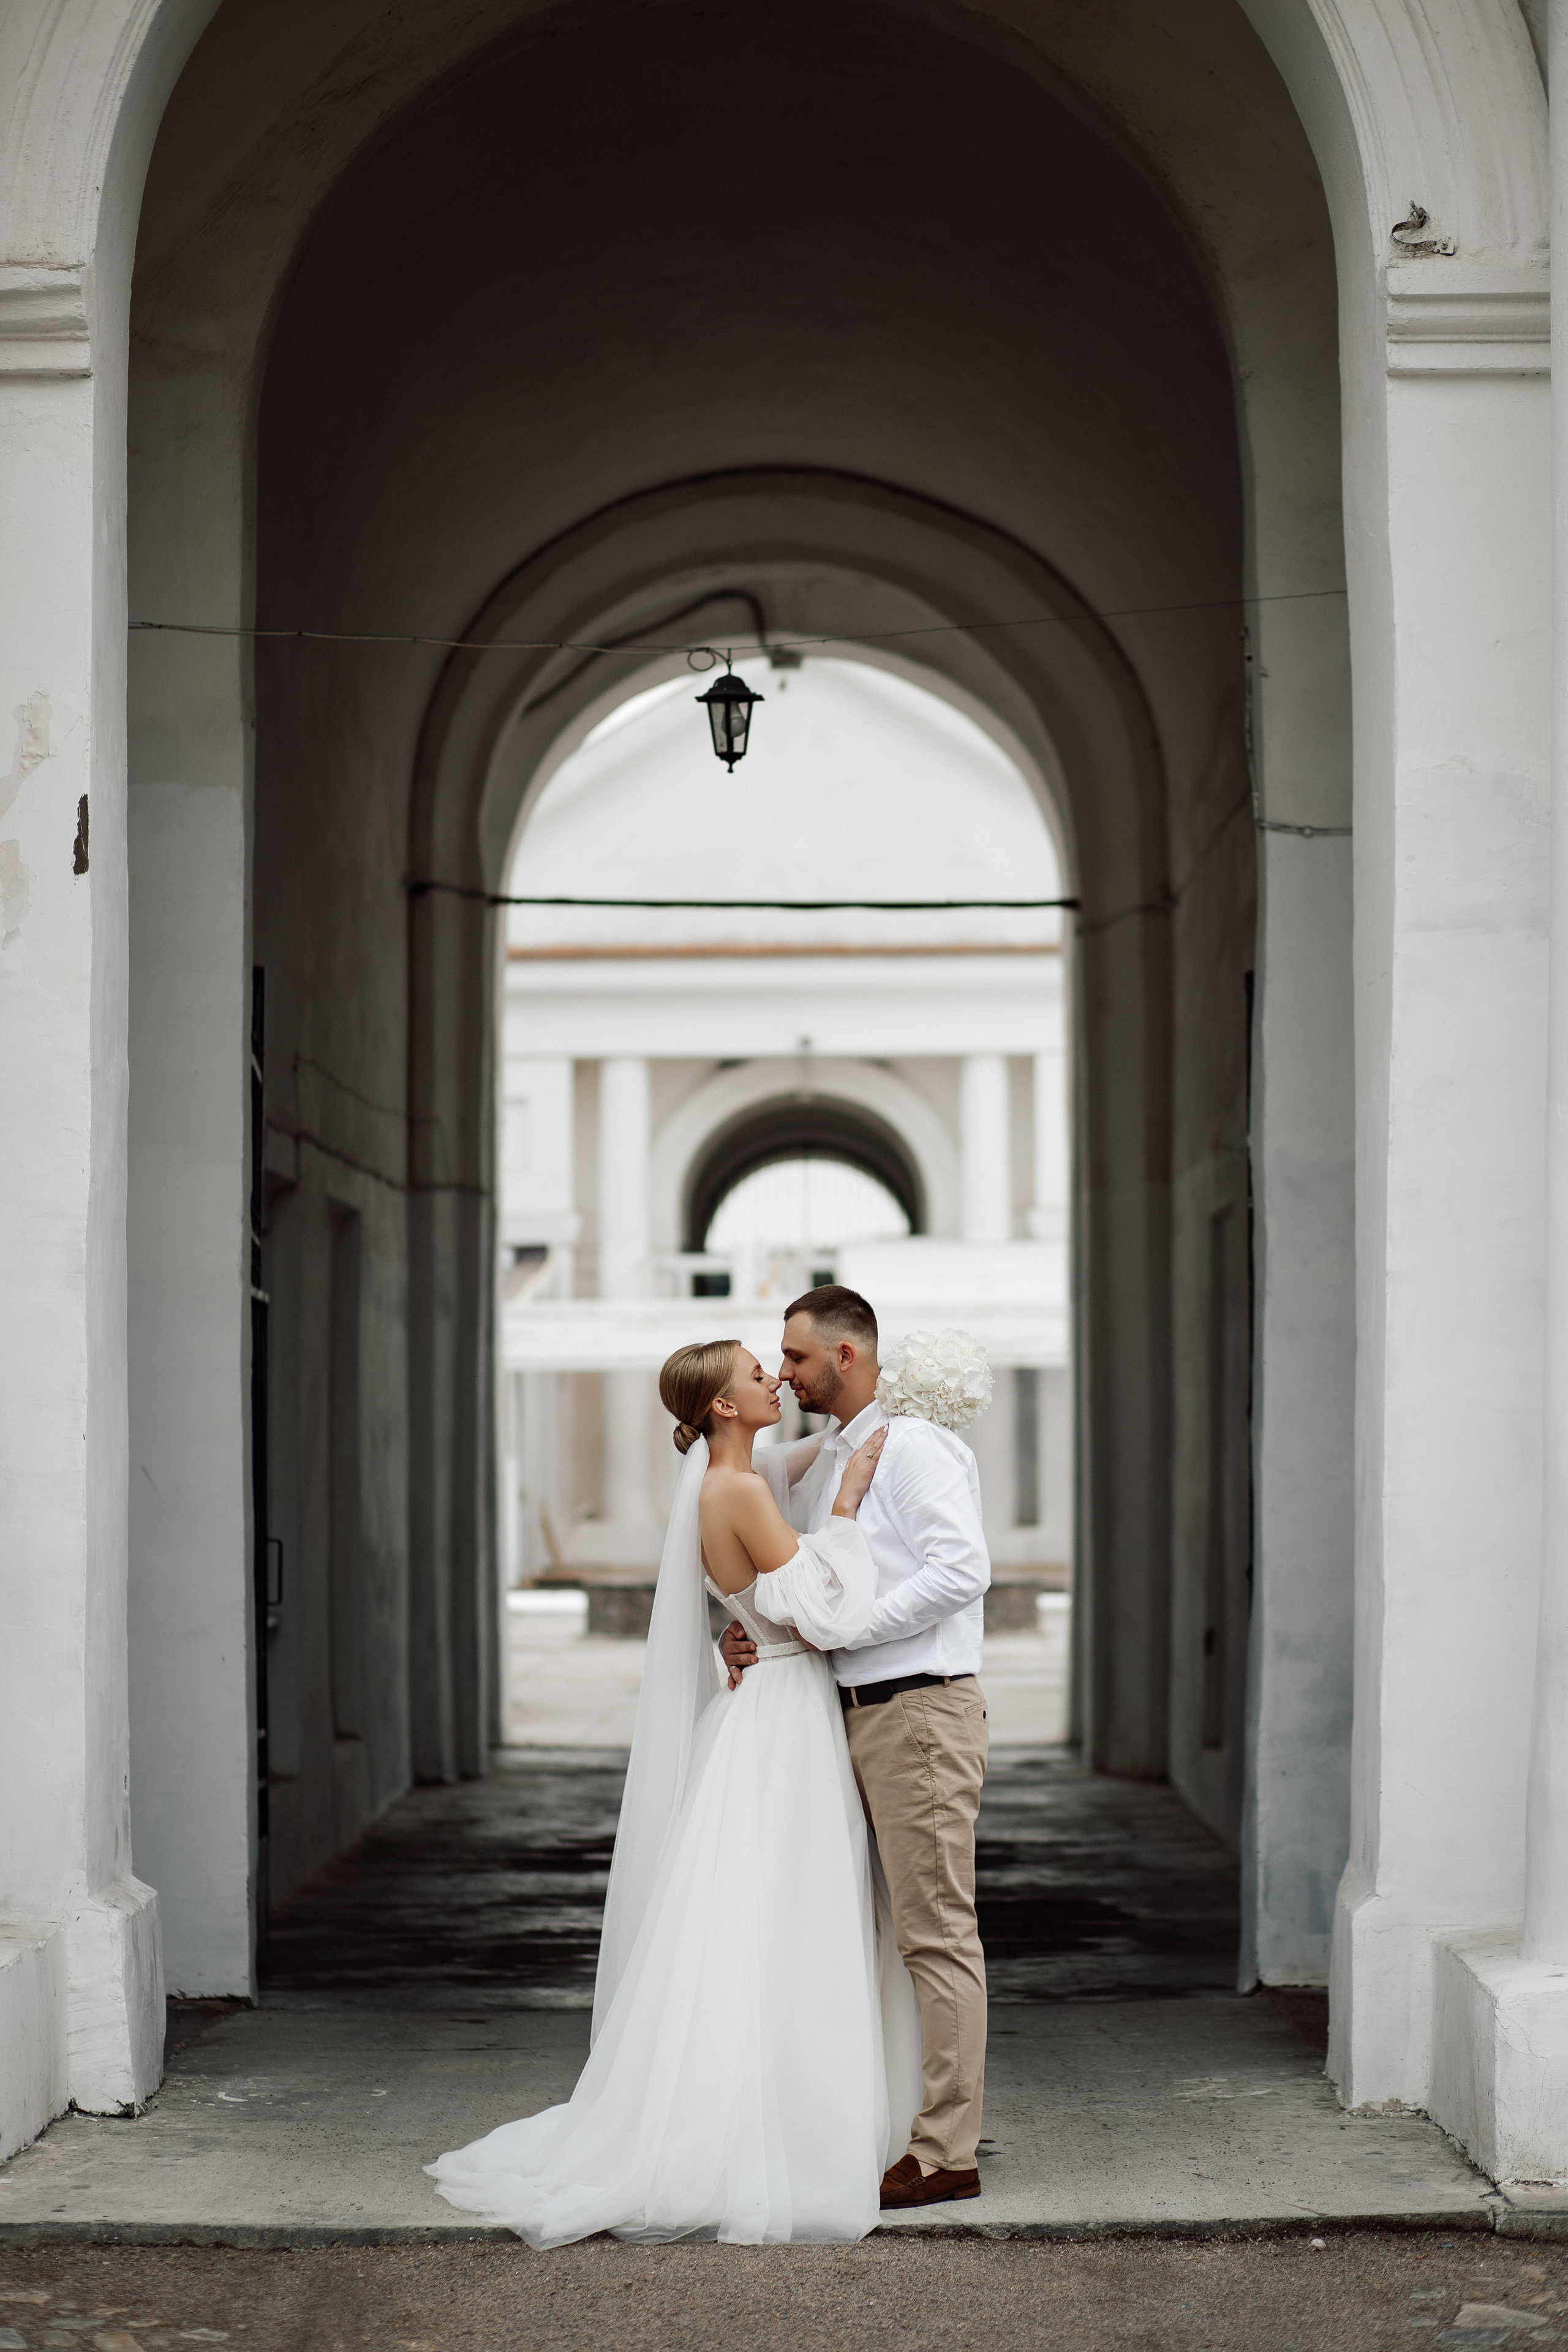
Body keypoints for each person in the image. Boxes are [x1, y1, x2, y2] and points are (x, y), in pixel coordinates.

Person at [426, 1338, 922, 2247]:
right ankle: (777, 2132)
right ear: (724, 1408)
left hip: (765, 1701)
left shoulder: (734, 1477)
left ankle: (792, 2109)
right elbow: (823, 1606)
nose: (775, 1379)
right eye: (757, 1373)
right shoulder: (733, 1490)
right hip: (782, 1720)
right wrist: (846, 1514)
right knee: (792, 1911)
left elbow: (796, 1498)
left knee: (760, 1912)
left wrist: (872, 1419)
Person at [721, 1286, 991, 2211]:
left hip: (918, 1712)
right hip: (845, 1714)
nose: (783, 1371)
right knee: (864, 1933)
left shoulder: (912, 1448)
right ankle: (874, 2120)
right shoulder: (821, 1458)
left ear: (845, 1355)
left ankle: (947, 2148)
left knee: (935, 1932)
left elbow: (964, 1570)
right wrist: (743, 1629)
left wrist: (851, 1628)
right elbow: (772, 1567)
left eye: (794, 1358)